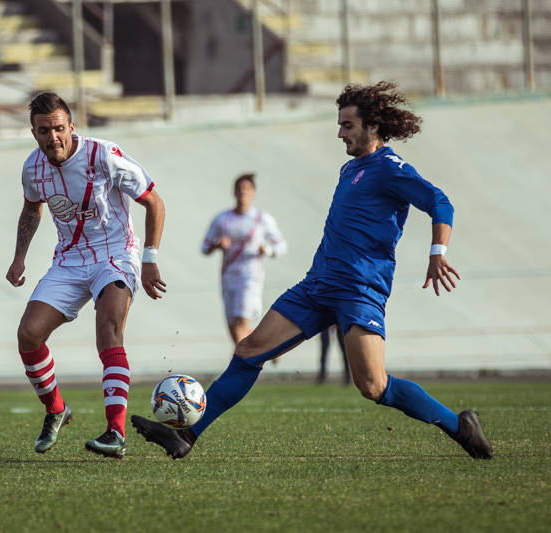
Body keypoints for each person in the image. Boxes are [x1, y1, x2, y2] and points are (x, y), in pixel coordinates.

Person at [131, 81, 493, 460]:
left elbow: (440, 202)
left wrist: (437, 252)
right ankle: (186, 435)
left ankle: (460, 425)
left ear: (372, 126)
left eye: (348, 125)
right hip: (318, 284)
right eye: (339, 124)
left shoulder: (390, 169)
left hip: (359, 289)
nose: (340, 133)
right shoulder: (350, 169)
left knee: (372, 386)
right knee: (250, 348)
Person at [6, 92, 166, 459]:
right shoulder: (33, 169)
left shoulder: (103, 155)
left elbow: (153, 200)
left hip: (116, 254)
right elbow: (32, 211)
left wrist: (150, 259)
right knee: (28, 335)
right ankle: (57, 409)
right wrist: (19, 258)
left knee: (108, 332)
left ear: (71, 127)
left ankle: (115, 432)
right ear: (34, 133)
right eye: (44, 130)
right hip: (69, 261)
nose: (53, 137)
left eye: (59, 128)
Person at [201, 173, 286, 345]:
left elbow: (281, 245)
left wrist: (267, 250)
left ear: (253, 192)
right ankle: (267, 346)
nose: (243, 192)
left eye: (247, 189)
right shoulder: (222, 219)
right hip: (228, 276)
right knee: (233, 326)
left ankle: (237, 367)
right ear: (234, 192)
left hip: (250, 277)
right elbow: (205, 247)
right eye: (239, 189)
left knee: (241, 323)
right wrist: (217, 245)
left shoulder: (261, 219)